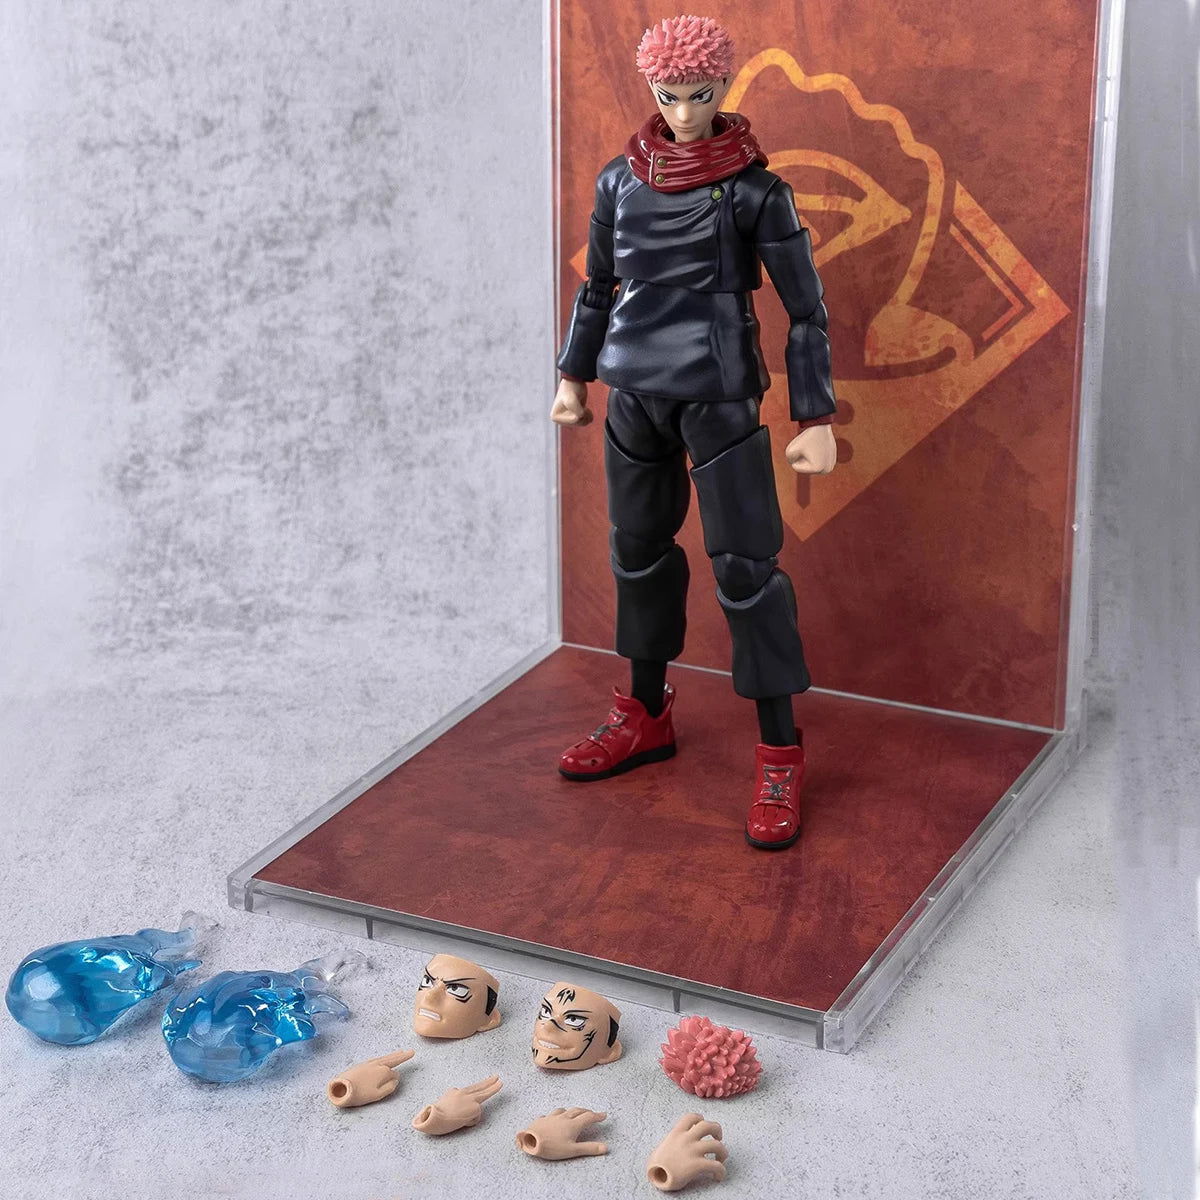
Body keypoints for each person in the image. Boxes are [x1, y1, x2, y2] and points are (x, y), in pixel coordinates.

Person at [552, 15, 838, 850]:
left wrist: (815, 415)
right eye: (669, 96)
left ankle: (780, 750)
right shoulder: (619, 182)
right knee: (637, 552)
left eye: (700, 95)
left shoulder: (757, 193)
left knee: (747, 570)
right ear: (651, 89)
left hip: (718, 395)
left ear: (724, 88)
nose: (683, 113)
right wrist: (572, 375)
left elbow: (807, 310)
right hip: (633, 391)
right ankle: (644, 712)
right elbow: (598, 288)